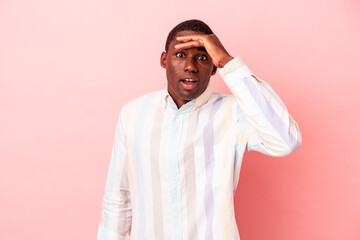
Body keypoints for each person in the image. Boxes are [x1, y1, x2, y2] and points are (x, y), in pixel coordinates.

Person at [97, 19, 302, 240]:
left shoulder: (234, 112)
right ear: (164, 60)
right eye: (180, 55)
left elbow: (286, 140)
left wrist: (228, 62)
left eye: (203, 57)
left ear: (214, 67)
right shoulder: (133, 114)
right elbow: (118, 197)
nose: (190, 66)